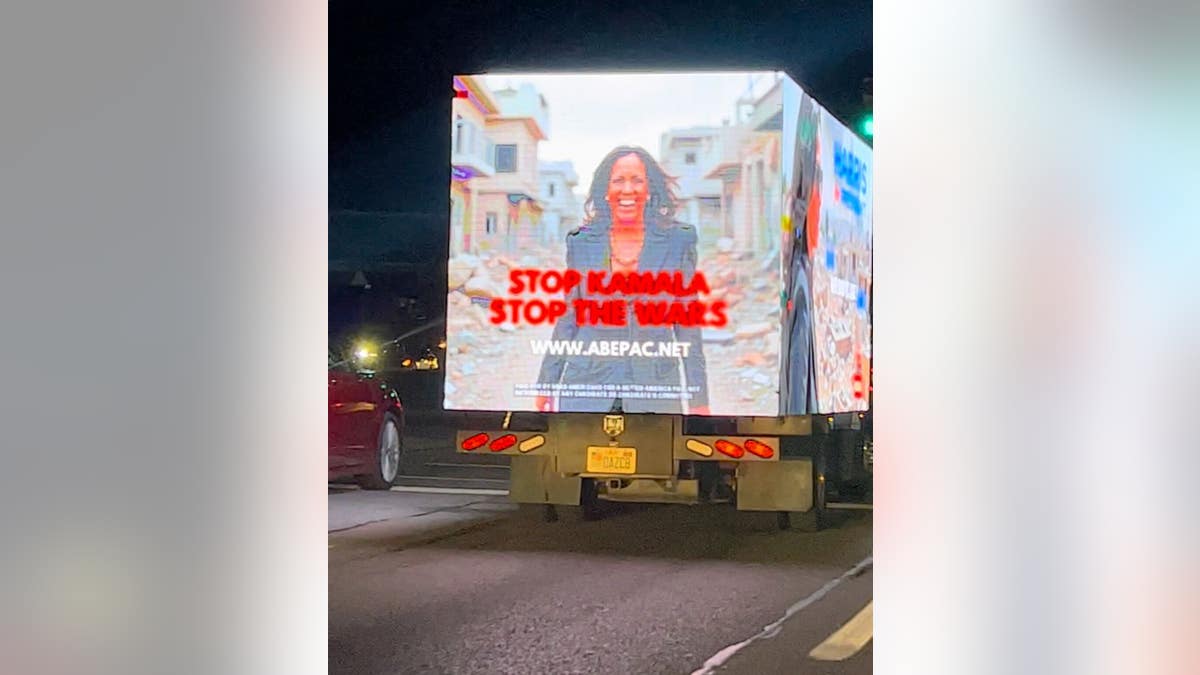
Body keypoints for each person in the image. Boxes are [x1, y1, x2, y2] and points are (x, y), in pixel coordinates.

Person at [534, 146, 710, 414]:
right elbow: (570, 316)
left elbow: (687, 322)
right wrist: (546, 383)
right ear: (606, 190)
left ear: (649, 189)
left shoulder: (678, 240)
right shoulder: (580, 242)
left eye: (637, 180)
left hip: (655, 387)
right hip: (586, 385)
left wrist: (699, 399)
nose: (628, 189)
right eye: (618, 180)